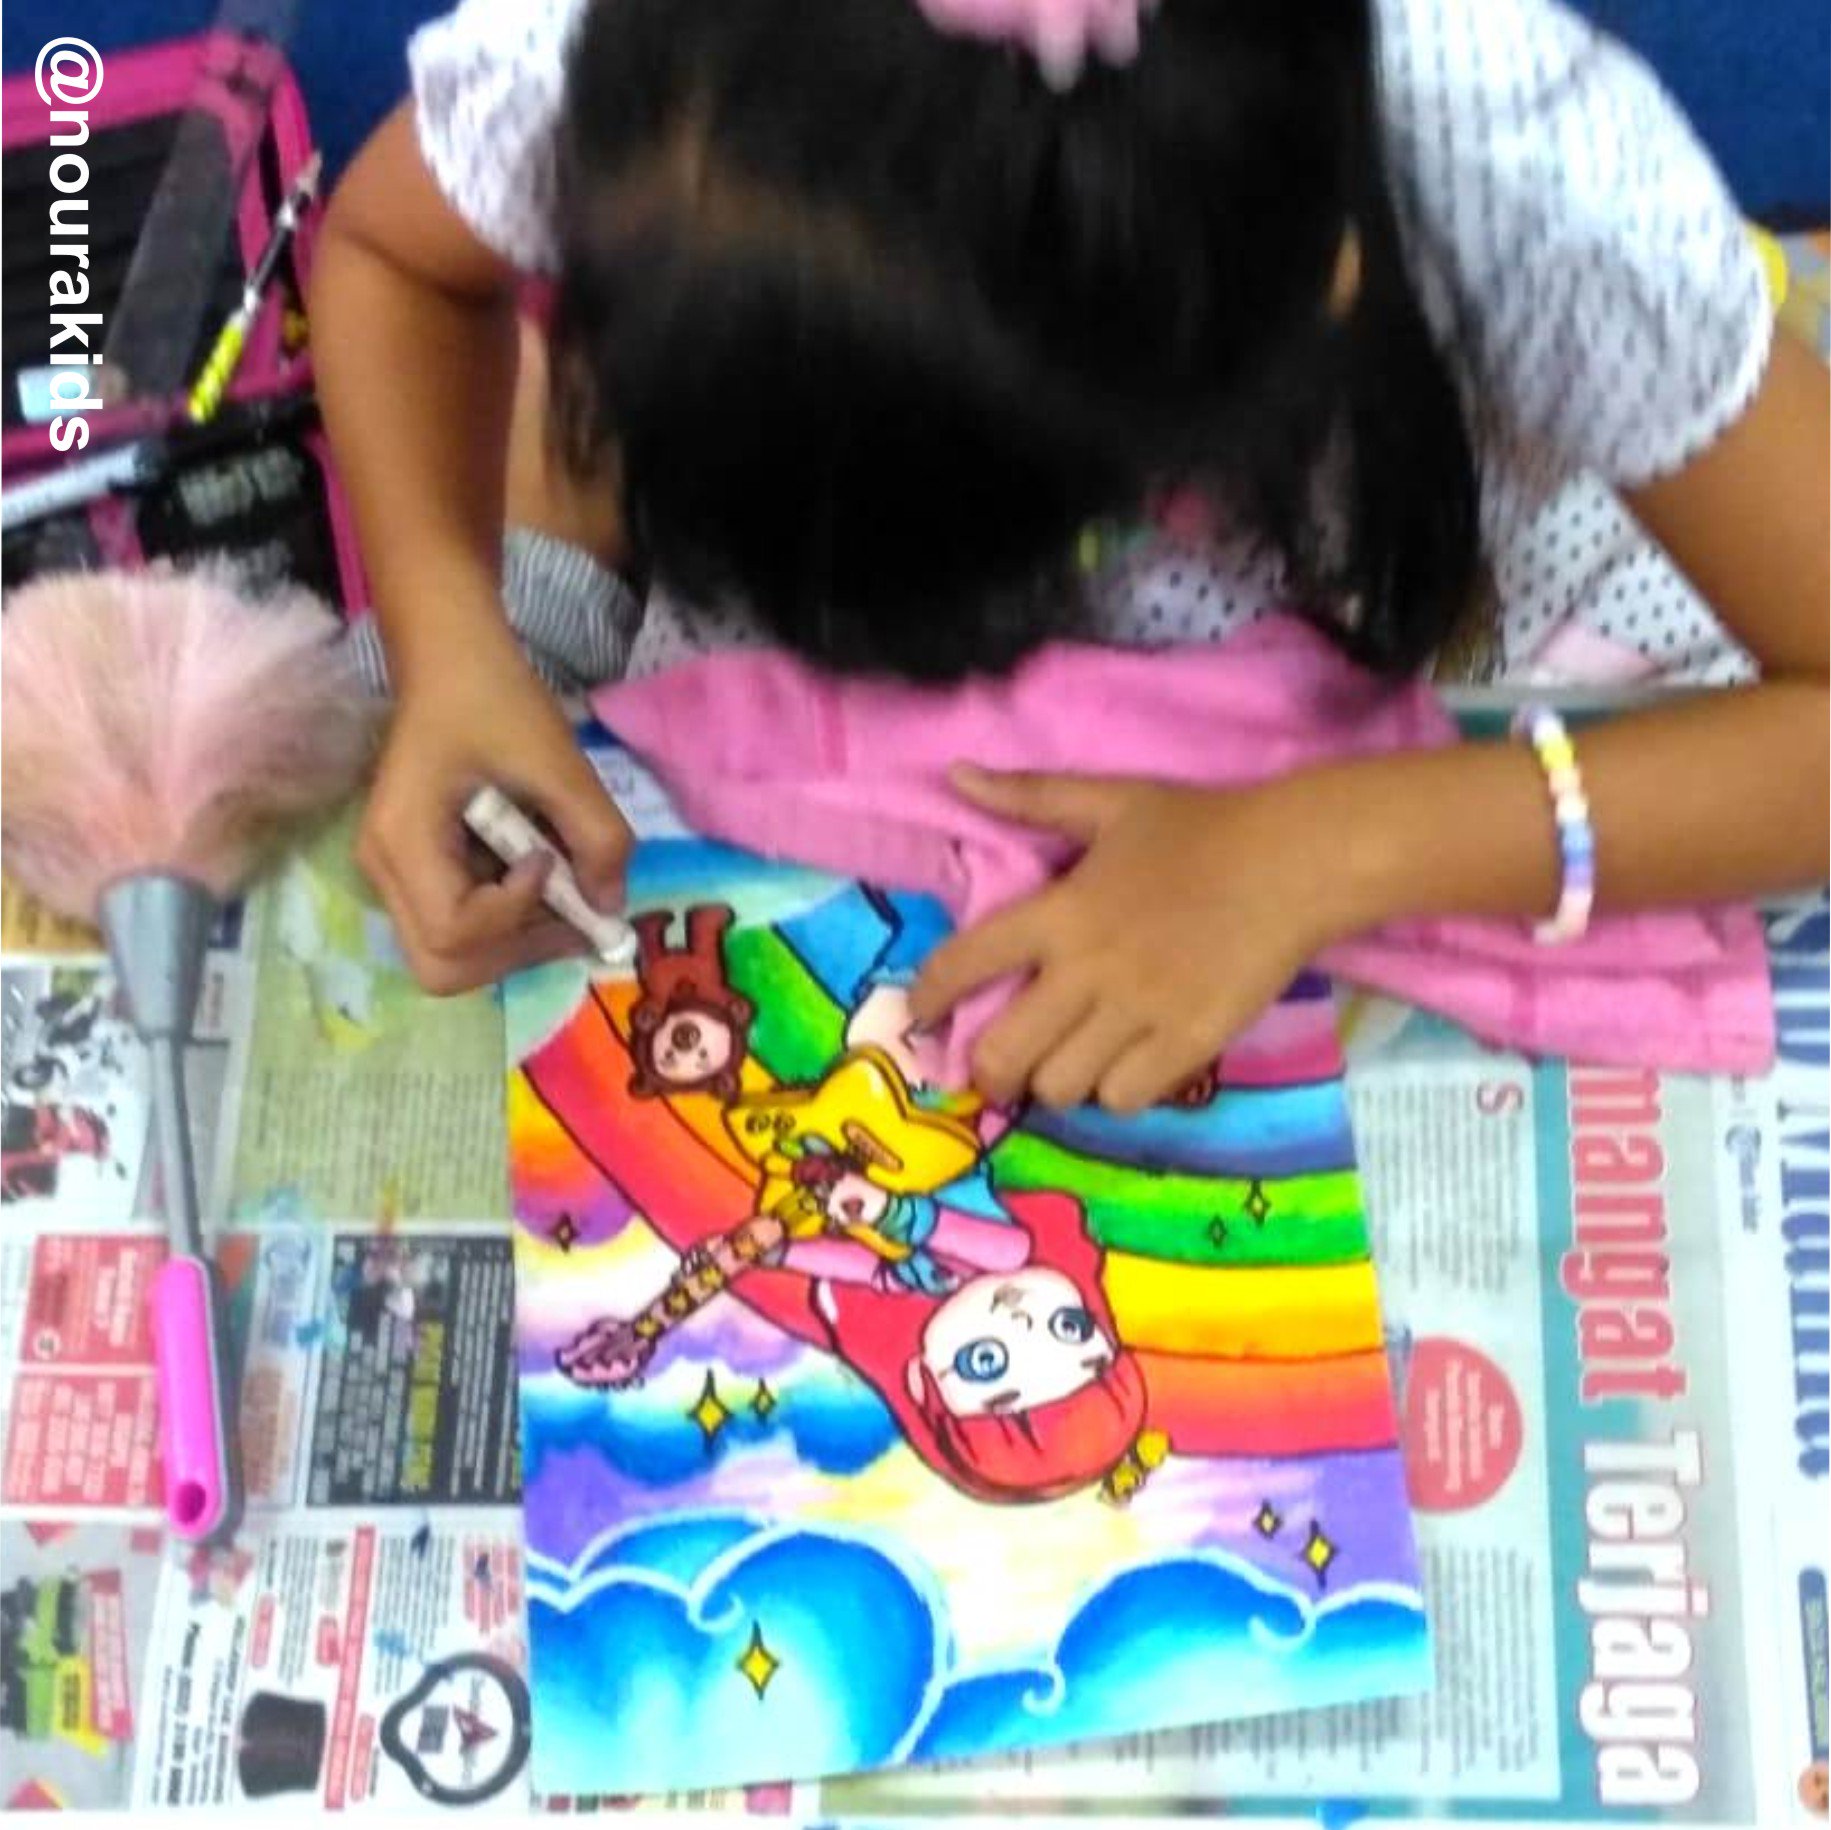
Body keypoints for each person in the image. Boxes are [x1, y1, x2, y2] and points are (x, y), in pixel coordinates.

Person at [312, 0, 1829, 1113]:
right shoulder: (660, 64)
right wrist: (451, 646)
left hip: (1385, 590)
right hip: (797, 613)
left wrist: (1320, 850)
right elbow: (390, 257)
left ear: (1312, 286)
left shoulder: (1511, 158)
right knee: (414, 709)